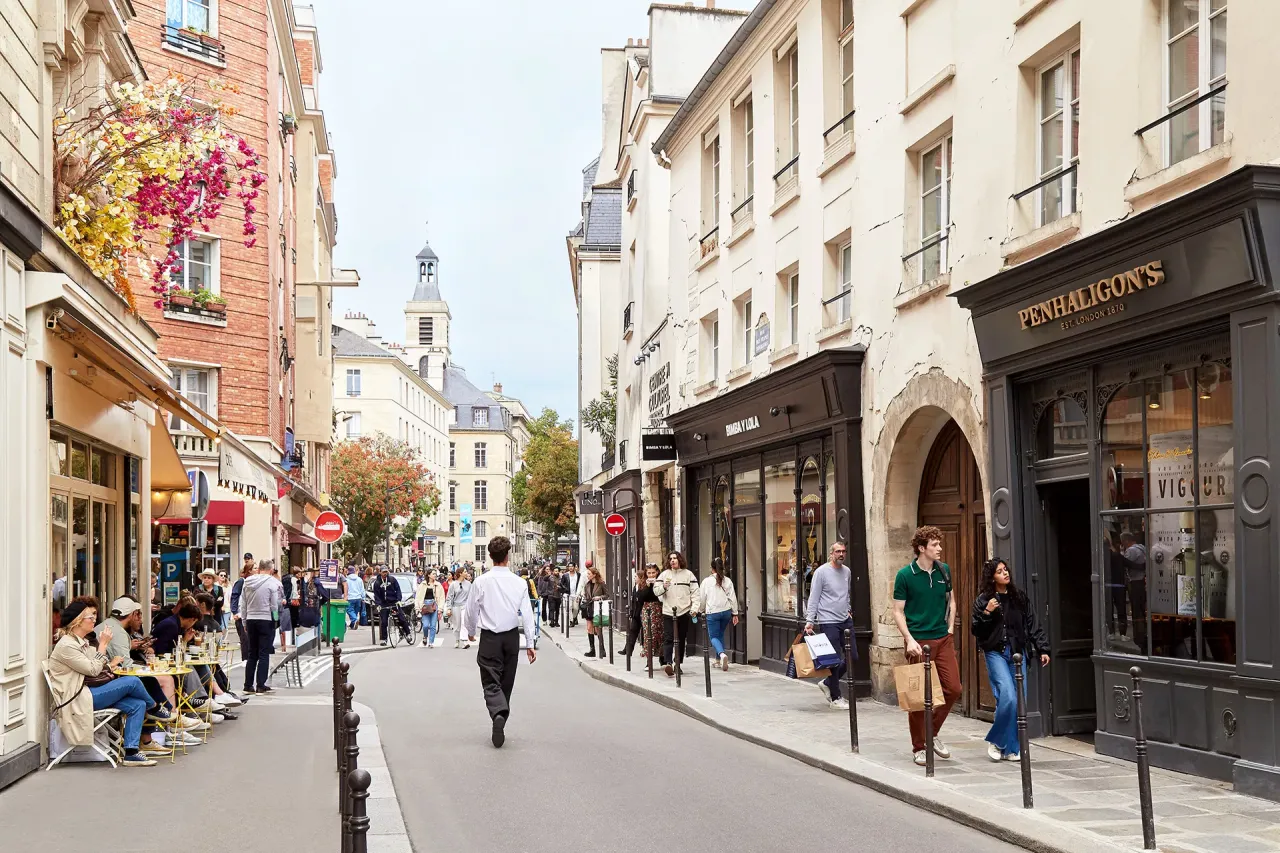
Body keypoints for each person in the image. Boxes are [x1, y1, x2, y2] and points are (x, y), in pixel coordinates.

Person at [48, 600, 159, 766]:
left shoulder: (80, 642)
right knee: (132, 682)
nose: (94, 620)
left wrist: (104, 657)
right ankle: (156, 709)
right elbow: (93, 669)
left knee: (137, 704)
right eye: (90, 617)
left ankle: (131, 753)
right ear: (77, 621)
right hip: (77, 699)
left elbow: (100, 664)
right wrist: (103, 645)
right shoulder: (67, 645)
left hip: (88, 692)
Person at [892, 525, 962, 766]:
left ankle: (931, 734)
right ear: (922, 548)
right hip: (918, 641)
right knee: (919, 697)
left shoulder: (944, 570)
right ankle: (919, 746)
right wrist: (909, 640)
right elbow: (898, 611)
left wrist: (950, 628)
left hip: (943, 639)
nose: (940, 548)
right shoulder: (905, 575)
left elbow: (952, 601)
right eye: (935, 545)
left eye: (939, 544)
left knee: (953, 689)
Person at [971, 557, 1049, 762]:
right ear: (991, 577)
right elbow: (976, 630)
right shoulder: (983, 600)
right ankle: (997, 742)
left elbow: (1032, 623)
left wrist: (1043, 648)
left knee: (1019, 701)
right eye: (999, 571)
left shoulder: (1018, 598)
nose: (1005, 573)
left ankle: (1011, 748)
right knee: (1008, 695)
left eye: (1005, 569)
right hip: (996, 652)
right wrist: (987, 611)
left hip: (1017, 653)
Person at [462, 536, 536, 748]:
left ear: (490, 556)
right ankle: (502, 714)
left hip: (490, 637)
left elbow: (471, 610)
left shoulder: (481, 581)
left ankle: (498, 714)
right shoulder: (519, 582)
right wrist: (530, 643)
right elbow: (527, 615)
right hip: (511, 636)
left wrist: (470, 631)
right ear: (507, 556)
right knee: (507, 680)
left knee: (490, 680)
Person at [803, 542, 855, 709]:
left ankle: (827, 682)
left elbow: (846, 593)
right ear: (831, 553)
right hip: (828, 621)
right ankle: (835, 697)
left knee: (852, 656)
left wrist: (848, 610)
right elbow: (814, 597)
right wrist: (810, 620)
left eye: (843, 551)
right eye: (838, 551)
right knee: (832, 660)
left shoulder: (847, 571)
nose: (841, 554)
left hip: (845, 620)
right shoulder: (821, 572)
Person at [240, 558, 283, 694]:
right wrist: (275, 619)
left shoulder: (247, 582)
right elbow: (274, 605)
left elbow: (243, 604)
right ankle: (260, 684)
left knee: (252, 653)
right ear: (271, 569)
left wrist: (244, 621)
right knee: (264, 653)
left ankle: (248, 684)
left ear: (259, 569)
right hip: (266, 619)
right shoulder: (272, 583)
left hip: (251, 619)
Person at [653, 551, 696, 677]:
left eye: (675, 558)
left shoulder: (688, 575)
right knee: (668, 638)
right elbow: (656, 591)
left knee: (681, 639)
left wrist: (694, 609)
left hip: (684, 611)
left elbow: (695, 592)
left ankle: (678, 663)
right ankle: (668, 663)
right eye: (671, 558)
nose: (673, 560)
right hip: (668, 611)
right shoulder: (664, 575)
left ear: (680, 560)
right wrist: (664, 587)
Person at [696, 557, 740, 672]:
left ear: (712, 569)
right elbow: (732, 598)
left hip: (713, 612)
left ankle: (721, 654)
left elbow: (702, 598)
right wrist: (735, 613)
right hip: (726, 612)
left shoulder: (706, 581)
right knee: (720, 635)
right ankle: (717, 661)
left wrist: (701, 610)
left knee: (714, 637)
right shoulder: (728, 580)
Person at [622, 564, 662, 661]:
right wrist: (648, 586)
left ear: (657, 572)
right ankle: (649, 661)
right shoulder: (643, 584)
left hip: (659, 610)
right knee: (648, 634)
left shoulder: (661, 581)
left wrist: (657, 584)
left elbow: (662, 596)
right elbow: (640, 598)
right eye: (649, 573)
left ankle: (663, 659)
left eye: (653, 573)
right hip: (647, 610)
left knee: (660, 634)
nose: (651, 575)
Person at [373, 567, 412, 646]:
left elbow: (398, 590)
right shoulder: (377, 583)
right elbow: (376, 595)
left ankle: (408, 633)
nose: (385, 574)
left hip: (394, 602)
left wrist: (398, 600)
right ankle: (384, 639)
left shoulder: (392, 580)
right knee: (384, 622)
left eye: (386, 572)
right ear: (380, 572)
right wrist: (378, 604)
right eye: (383, 572)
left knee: (401, 618)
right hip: (384, 604)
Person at [231, 557, 255, 661]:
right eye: (255, 568)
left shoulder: (254, 581)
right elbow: (234, 596)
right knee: (245, 639)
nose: (257, 570)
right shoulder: (241, 581)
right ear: (249, 570)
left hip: (251, 614)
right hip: (241, 614)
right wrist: (235, 611)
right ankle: (245, 659)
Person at [447, 570, 473, 649]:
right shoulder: (453, 585)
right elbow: (450, 597)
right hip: (456, 606)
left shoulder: (469, 584)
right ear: (460, 573)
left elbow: (471, 596)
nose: (466, 573)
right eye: (465, 572)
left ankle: (465, 641)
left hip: (465, 606)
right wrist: (449, 608)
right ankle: (457, 640)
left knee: (464, 623)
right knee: (457, 625)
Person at [415, 572, 441, 648]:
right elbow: (418, 597)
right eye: (433, 574)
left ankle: (431, 642)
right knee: (425, 625)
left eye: (435, 574)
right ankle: (425, 636)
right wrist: (417, 607)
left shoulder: (438, 585)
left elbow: (441, 597)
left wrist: (440, 609)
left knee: (433, 626)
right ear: (429, 575)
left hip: (434, 605)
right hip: (424, 606)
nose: (435, 575)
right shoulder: (422, 585)